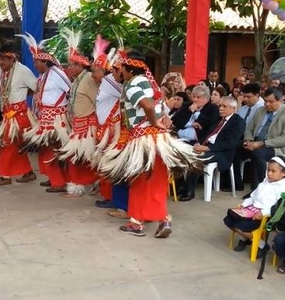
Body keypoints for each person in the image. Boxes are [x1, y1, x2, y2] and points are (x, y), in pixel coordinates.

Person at [97, 50, 202, 238]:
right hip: (158, 140)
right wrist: (159, 121)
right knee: (156, 181)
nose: (118, 73)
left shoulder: (132, 84)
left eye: (120, 69)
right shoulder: (148, 82)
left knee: (139, 181)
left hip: (144, 139)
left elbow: (148, 105)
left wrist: (153, 121)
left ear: (128, 70)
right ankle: (164, 219)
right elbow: (160, 108)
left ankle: (137, 224)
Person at [18, 32, 71, 193]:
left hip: (56, 119)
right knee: (47, 149)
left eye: (37, 62)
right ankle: (53, 178)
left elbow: (70, 91)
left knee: (52, 149)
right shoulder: (42, 76)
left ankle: (59, 182)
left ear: (46, 62)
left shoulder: (57, 74)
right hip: (44, 118)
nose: (34, 65)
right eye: (34, 61)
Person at [56, 29, 100, 198]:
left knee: (78, 157)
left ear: (81, 65)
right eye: (69, 64)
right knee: (80, 157)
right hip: (78, 125)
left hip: (87, 125)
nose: (69, 68)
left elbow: (98, 101)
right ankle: (89, 183)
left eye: (73, 64)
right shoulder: (77, 81)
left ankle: (78, 186)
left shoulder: (88, 78)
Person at [232, 87, 285, 192]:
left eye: (271, 102)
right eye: (266, 101)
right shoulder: (260, 111)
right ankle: (237, 183)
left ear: (280, 100)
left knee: (258, 153)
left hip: (276, 147)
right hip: (255, 142)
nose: (267, 104)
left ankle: (257, 190)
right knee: (234, 148)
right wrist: (248, 140)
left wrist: (262, 143)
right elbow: (249, 128)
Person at [0, 42, 38, 186]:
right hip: (7, 114)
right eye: (0, 58)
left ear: (13, 59)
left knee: (6, 145)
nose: (2, 62)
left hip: (19, 116)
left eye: (5, 59)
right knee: (16, 146)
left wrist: (23, 95)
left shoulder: (23, 71)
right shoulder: (2, 71)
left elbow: (37, 87)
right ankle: (28, 172)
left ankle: (5, 176)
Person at [180, 96, 245, 201]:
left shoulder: (238, 121)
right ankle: (183, 186)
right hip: (207, 146)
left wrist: (207, 148)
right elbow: (207, 135)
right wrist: (199, 143)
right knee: (184, 152)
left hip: (222, 153)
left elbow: (230, 143)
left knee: (198, 157)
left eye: (224, 106)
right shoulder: (218, 119)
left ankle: (189, 191)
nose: (221, 108)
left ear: (233, 109)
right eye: (220, 106)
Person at [224, 156, 285, 255]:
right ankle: (245, 238)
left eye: (273, 171)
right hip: (251, 210)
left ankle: (262, 245)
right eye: (268, 170)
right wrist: (244, 204)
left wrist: (263, 212)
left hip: (265, 216)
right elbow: (253, 197)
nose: (269, 173)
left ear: (284, 173)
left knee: (240, 227)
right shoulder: (264, 183)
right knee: (229, 220)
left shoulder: (284, 190)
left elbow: (279, 207)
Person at [91, 41, 122, 207]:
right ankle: (108, 196)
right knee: (105, 161)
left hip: (112, 129)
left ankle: (112, 198)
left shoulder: (110, 81)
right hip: (104, 129)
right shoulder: (105, 82)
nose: (92, 75)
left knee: (109, 161)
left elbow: (126, 94)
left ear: (103, 71)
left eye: (94, 71)